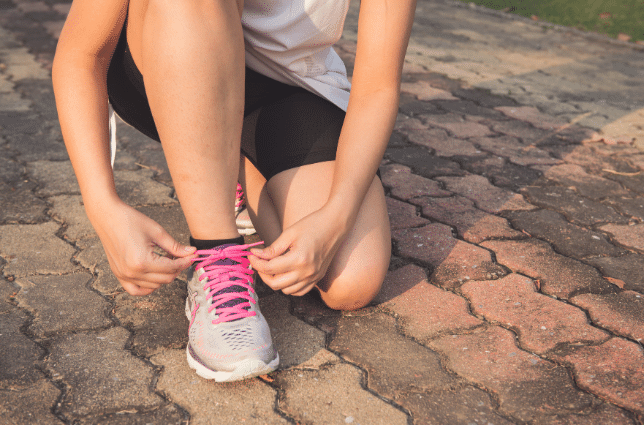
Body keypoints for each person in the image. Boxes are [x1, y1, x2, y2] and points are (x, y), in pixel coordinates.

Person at [52, 0, 417, 382]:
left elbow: (378, 86)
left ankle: (226, 166)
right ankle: (217, 258)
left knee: (349, 280)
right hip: (168, 50)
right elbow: (80, 55)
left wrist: (336, 216)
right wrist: (102, 204)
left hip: (288, 86)